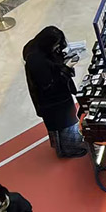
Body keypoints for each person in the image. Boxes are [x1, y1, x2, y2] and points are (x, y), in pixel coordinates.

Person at [23, 27, 86, 158]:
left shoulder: (34, 49)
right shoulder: (37, 61)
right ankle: (68, 149)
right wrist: (65, 68)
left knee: (61, 124)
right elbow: (48, 84)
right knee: (65, 124)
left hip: (54, 99)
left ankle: (63, 146)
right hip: (53, 101)